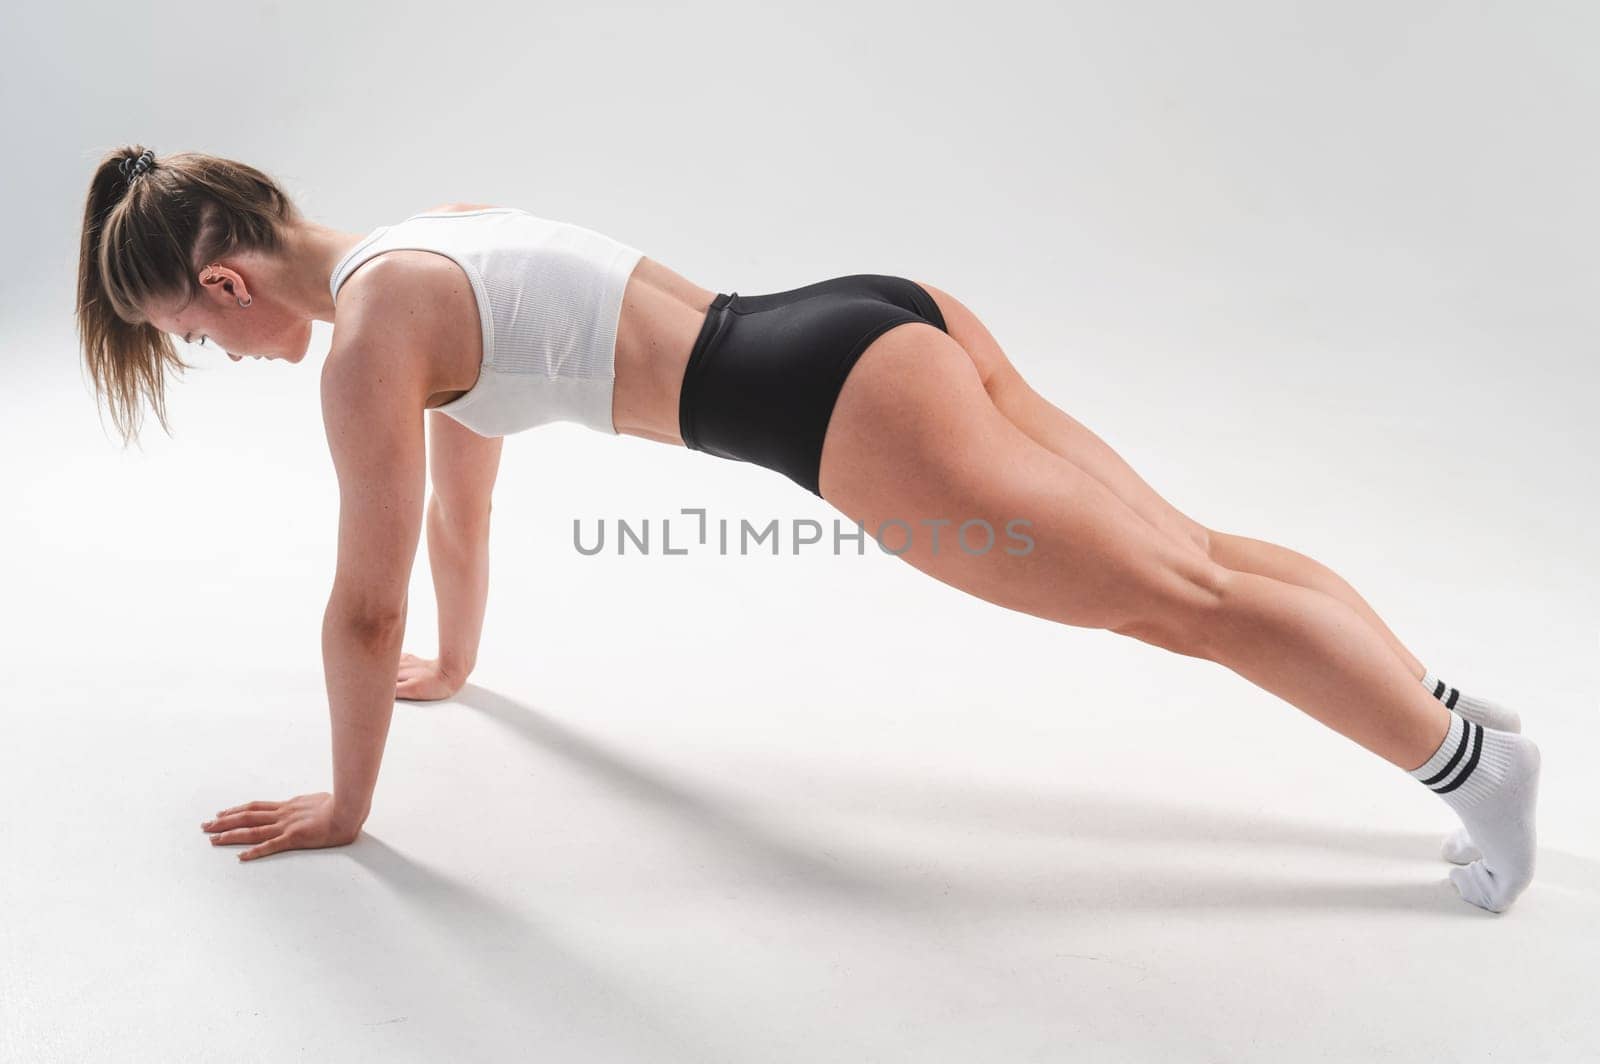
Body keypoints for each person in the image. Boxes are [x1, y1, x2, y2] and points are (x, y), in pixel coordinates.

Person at [76, 145, 1539, 912]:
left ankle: (1471, 768)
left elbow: (358, 608)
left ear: (221, 282)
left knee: (1177, 603)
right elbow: (467, 487)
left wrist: (348, 807)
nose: (221, 358)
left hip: (837, 408)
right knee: (1196, 559)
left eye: (192, 338)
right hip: (870, 312)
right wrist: (461, 666)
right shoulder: (426, 237)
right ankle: (1445, 710)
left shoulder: (365, 337)